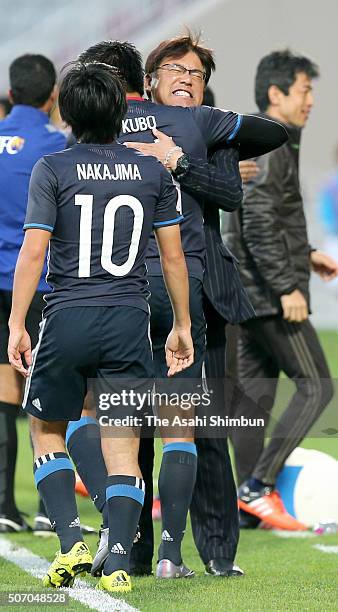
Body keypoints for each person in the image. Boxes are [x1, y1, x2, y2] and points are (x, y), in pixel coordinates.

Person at [64, 37, 287, 579]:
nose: (187, 77)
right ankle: (142, 549)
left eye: (198, 72)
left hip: (202, 292)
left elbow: (232, 196)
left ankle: (216, 551)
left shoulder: (204, 130)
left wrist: (181, 161)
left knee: (205, 429)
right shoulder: (118, 123)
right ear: (150, 79)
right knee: (136, 426)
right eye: (176, 68)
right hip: (142, 295)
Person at [8, 61, 193, 594]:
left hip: (66, 315)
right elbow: (173, 259)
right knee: (122, 444)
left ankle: (70, 541)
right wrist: (179, 323)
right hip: (129, 320)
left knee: (45, 427)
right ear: (121, 111)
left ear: (66, 113)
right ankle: (116, 557)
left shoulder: (53, 168)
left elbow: (34, 250)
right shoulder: (153, 172)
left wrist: (18, 322)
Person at [222, 49, 338, 530]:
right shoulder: (271, 142)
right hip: (269, 295)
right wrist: (288, 286)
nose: (311, 99)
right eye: (304, 90)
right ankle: (258, 485)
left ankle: (247, 506)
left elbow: (266, 216)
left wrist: (306, 251)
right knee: (317, 386)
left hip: (247, 292)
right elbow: (259, 223)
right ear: (277, 93)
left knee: (253, 401)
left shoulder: (267, 141)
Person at [0, 54, 67, 533]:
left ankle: (4, 507)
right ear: (52, 98)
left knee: (4, 392)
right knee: (48, 396)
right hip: (40, 284)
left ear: (9, 94)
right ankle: (50, 510)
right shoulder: (57, 146)